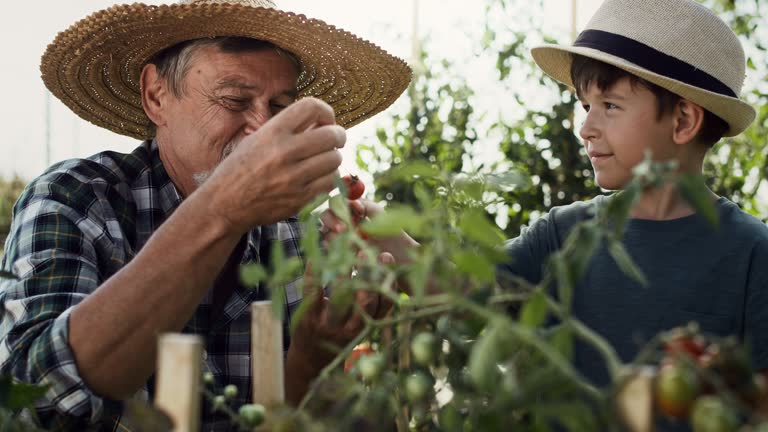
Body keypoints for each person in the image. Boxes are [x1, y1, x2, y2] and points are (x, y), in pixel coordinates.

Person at [0, 0, 411, 430]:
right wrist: (223, 206)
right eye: (234, 100)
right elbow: (35, 403)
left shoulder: (299, 236)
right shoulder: (79, 201)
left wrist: (312, 359)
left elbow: (300, 416)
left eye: (279, 107)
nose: (262, 129)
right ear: (156, 96)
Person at [327, 0, 768, 396]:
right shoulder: (564, 234)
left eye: (610, 106)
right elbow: (466, 300)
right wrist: (386, 235)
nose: (587, 127)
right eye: (585, 105)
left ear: (684, 120)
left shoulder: (752, 255)